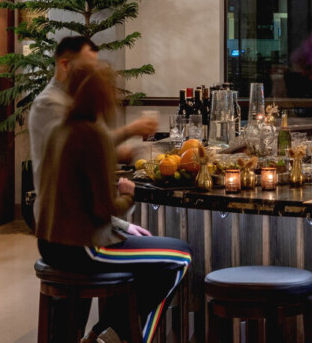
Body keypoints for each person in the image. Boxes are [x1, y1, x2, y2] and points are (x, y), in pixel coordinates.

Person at [36, 65, 192, 343]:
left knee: (153, 263)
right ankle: (117, 336)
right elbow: (103, 209)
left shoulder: (58, 129)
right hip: (84, 248)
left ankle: (104, 333)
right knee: (180, 257)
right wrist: (128, 194)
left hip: (51, 244)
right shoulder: (91, 135)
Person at [29, 36, 158, 234]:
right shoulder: (49, 104)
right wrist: (130, 131)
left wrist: (124, 151)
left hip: (87, 217)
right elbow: (85, 149)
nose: (96, 77)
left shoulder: (80, 105)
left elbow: (88, 154)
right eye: (89, 70)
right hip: (67, 222)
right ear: (65, 65)